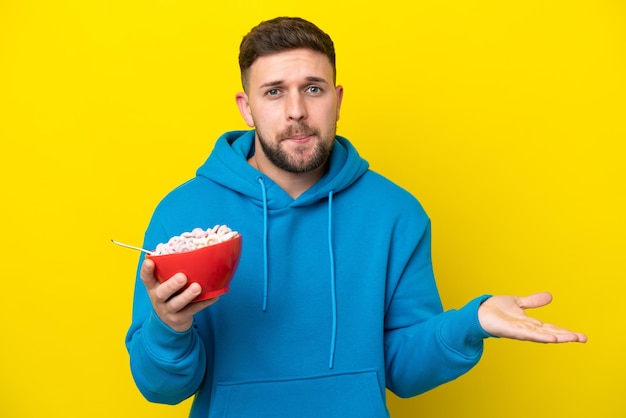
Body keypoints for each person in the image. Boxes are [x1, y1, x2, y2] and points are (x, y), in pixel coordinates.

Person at [125, 16, 586, 418]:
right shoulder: (184, 214)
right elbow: (161, 389)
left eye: (313, 88)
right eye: (273, 92)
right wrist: (171, 326)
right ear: (246, 108)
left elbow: (403, 369)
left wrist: (473, 322)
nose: (296, 112)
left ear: (337, 99)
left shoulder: (394, 212)